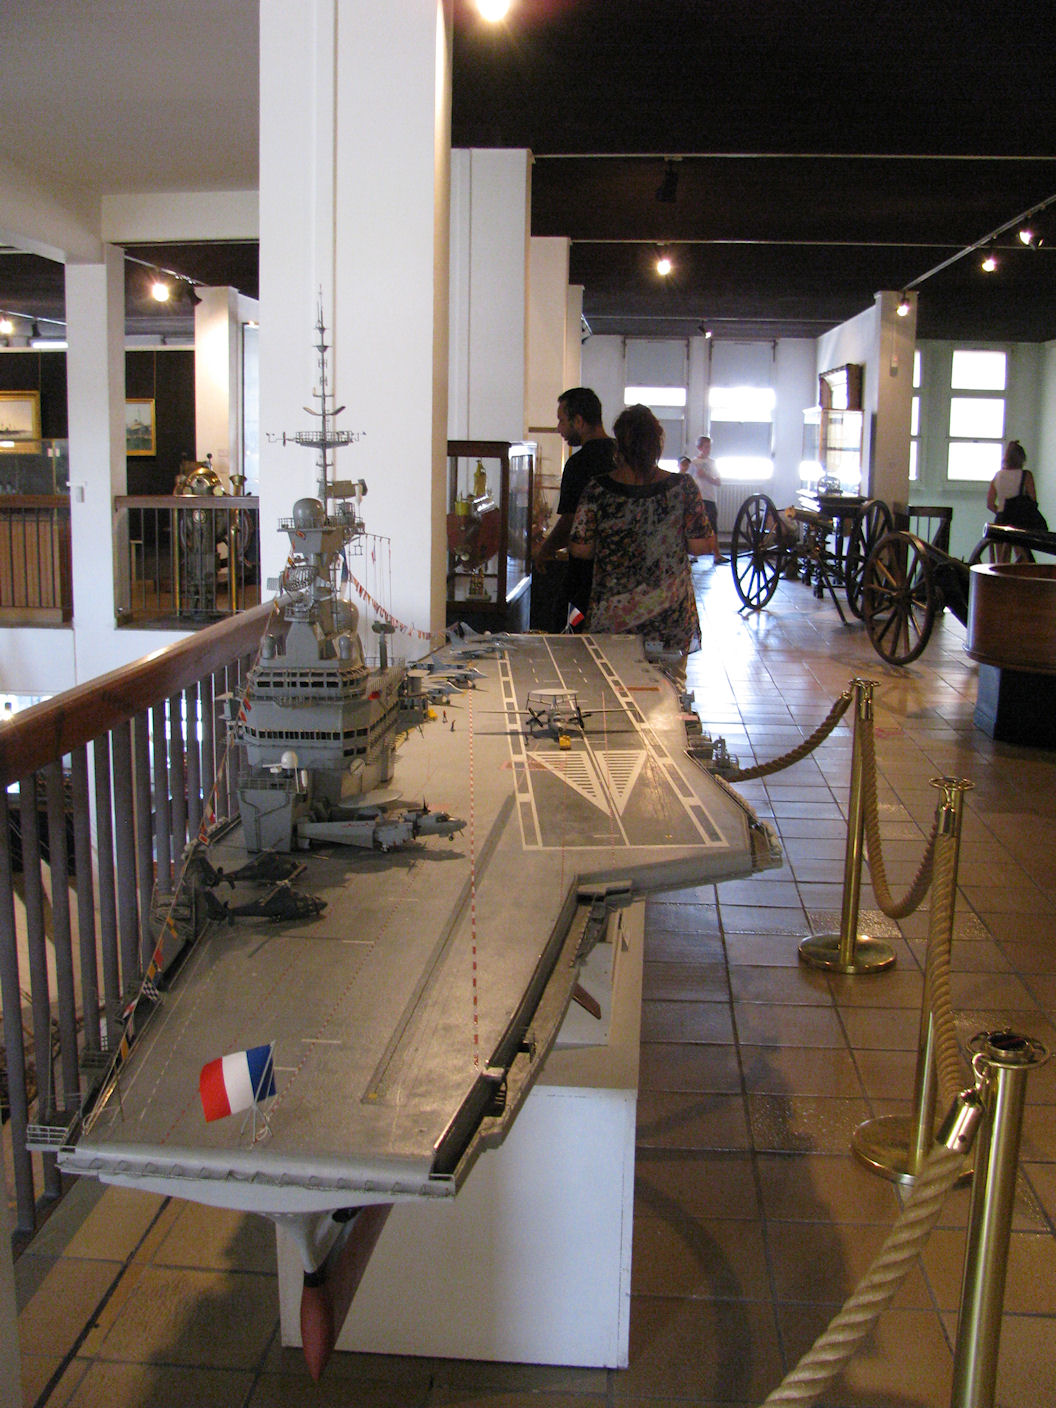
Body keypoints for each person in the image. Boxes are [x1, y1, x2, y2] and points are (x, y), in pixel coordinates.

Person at [568, 403, 710, 684]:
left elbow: (580, 549)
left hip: (615, 617)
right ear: (657, 443)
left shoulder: (598, 489)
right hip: (670, 617)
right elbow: (699, 546)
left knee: (614, 694)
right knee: (669, 694)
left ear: (619, 445)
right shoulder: (683, 488)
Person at [533, 387, 616, 630]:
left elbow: (570, 521)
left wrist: (545, 550)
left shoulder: (578, 464)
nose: (558, 428)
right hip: (619, 573)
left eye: (561, 420)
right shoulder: (620, 456)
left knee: (568, 625)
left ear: (578, 421)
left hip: (584, 575)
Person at [987, 439, 1043, 560]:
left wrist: (1001, 512)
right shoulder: (1026, 475)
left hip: (1000, 519)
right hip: (1018, 520)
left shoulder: (998, 475)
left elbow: (990, 504)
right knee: (1022, 560)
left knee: (1001, 562)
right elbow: (1033, 501)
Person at [689, 434, 727, 564]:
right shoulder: (693, 463)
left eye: (709, 447)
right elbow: (687, 480)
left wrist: (706, 476)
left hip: (710, 498)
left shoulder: (712, 463)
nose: (708, 449)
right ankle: (693, 554)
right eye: (706, 447)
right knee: (695, 525)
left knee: (713, 527)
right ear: (699, 448)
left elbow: (718, 482)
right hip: (698, 498)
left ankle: (717, 555)